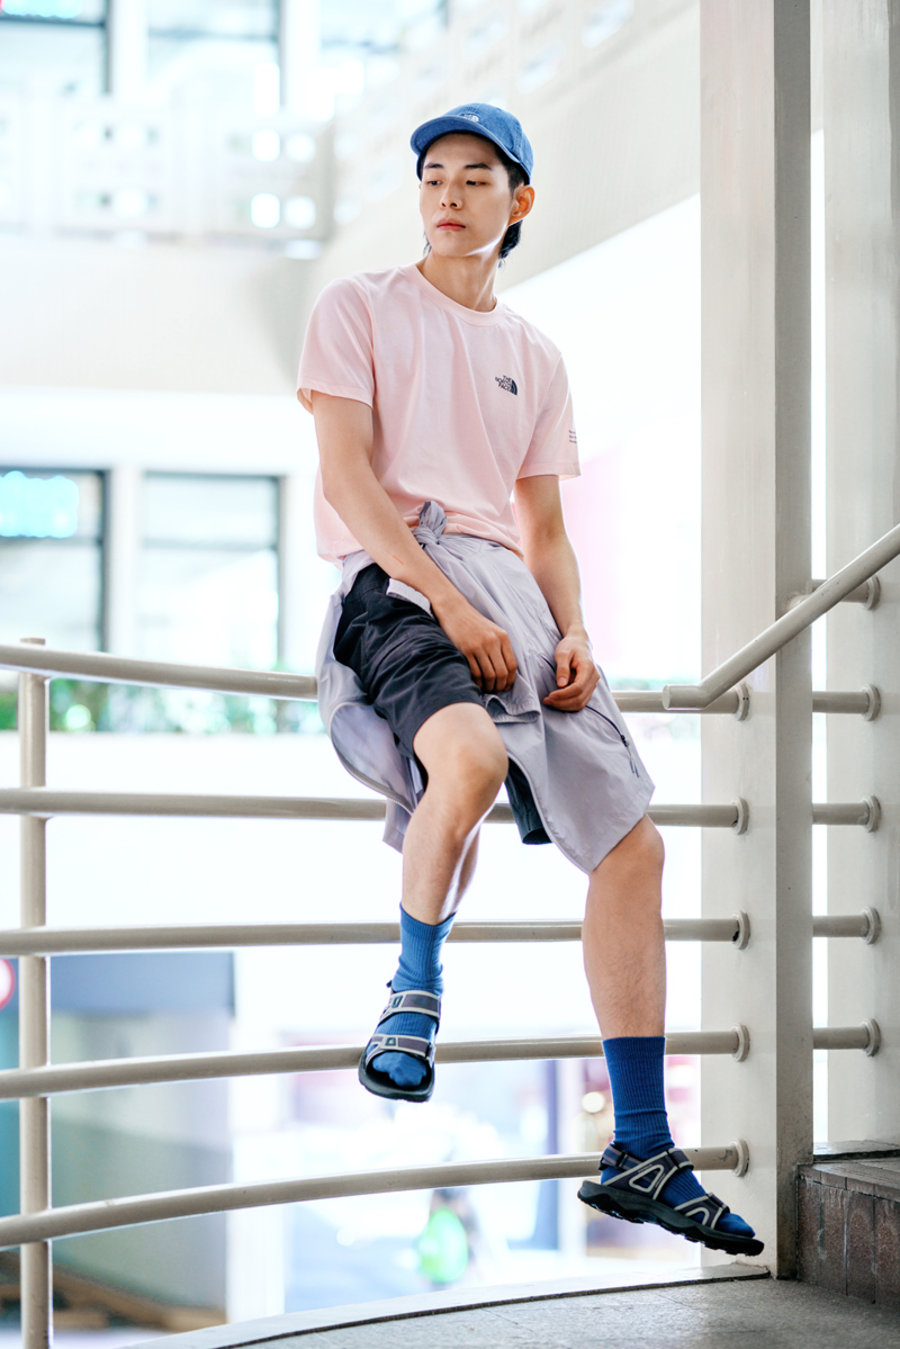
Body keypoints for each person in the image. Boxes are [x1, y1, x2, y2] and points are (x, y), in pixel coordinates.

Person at [297, 102, 762, 1258]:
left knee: (635, 843)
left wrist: (578, 629)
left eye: (474, 176)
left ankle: (641, 1145)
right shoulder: (357, 306)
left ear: (520, 201)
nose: (448, 195)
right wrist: (445, 602)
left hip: (516, 594)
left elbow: (545, 528)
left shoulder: (537, 355)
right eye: (432, 176)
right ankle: (411, 995)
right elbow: (349, 480)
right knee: (465, 760)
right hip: (398, 580)